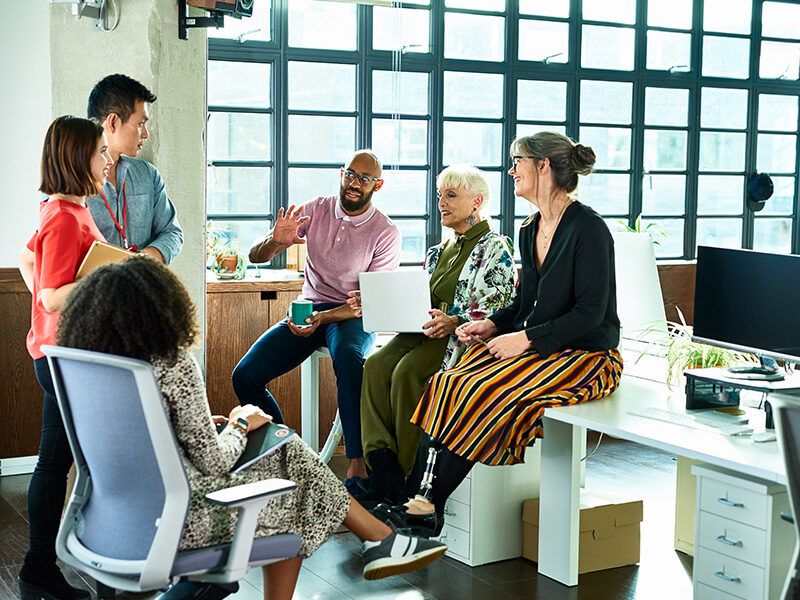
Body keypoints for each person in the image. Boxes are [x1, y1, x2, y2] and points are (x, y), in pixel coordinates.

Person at [56, 257, 447, 600]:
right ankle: (380, 539)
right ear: (162, 309)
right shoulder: (173, 365)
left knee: (284, 447)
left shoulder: (92, 366)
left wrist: (195, 424)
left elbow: (137, 432)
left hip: (109, 517)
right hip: (183, 518)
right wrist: (240, 425)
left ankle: (379, 539)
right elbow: (212, 460)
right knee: (294, 497)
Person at [375, 132, 623, 537]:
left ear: (543, 166)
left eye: (517, 161)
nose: (511, 170)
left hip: (588, 356)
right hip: (545, 348)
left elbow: (590, 314)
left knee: (479, 388)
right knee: (446, 382)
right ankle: (417, 500)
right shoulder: (531, 229)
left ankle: (426, 506)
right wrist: (493, 324)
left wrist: (523, 339)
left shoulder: (589, 229)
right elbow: (527, 303)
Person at [232, 150, 401, 494]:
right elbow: (255, 256)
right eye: (350, 174)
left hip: (351, 315)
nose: (354, 183)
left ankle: (357, 465)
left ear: (377, 185)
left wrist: (322, 317)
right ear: (341, 174)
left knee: (351, 362)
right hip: (309, 307)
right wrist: (276, 241)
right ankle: (284, 452)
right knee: (245, 376)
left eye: (364, 179)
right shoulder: (316, 208)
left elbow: (369, 302)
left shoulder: (385, 232)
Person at [351, 165, 517, 508]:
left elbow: (499, 307)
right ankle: (381, 470)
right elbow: (419, 299)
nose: (441, 202)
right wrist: (381, 304)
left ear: (477, 202)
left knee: (406, 373)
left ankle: (409, 479)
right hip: (422, 330)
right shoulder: (439, 250)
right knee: (375, 365)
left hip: (457, 337)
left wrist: (454, 319)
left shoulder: (494, 248)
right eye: (440, 195)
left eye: (451, 196)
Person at [17, 116, 113, 600]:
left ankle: (42, 572)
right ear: (78, 157)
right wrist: (110, 276)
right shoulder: (61, 214)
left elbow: (27, 261)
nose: (107, 158)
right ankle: (98, 573)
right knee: (80, 464)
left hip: (59, 354)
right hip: (64, 358)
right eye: (100, 151)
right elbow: (54, 295)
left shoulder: (62, 208)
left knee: (55, 463)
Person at [86, 73, 183, 263]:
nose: (145, 134)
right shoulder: (70, 182)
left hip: (142, 288)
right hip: (95, 291)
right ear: (113, 122)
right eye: (140, 123)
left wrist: (145, 258)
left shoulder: (148, 175)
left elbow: (172, 232)